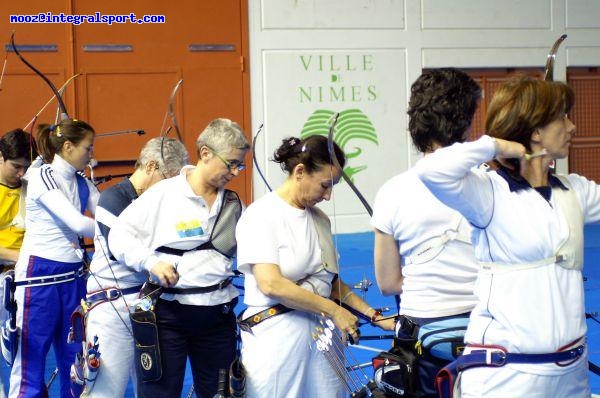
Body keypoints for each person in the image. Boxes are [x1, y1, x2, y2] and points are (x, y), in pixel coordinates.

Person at [415, 75, 596, 397]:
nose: (572, 127)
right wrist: (496, 144)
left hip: (571, 373)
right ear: (535, 131)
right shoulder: (488, 193)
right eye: (562, 118)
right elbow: (430, 171)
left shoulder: (575, 190)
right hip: (506, 377)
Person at [235, 135, 395, 398]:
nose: (328, 195)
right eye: (325, 185)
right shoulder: (261, 215)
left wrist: (375, 316)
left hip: (324, 337)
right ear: (300, 172)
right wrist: (334, 311)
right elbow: (271, 283)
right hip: (277, 338)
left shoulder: (320, 219)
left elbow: (330, 283)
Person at [108, 118, 249, 398]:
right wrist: (151, 262)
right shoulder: (164, 193)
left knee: (222, 394)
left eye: (240, 165)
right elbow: (119, 237)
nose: (235, 171)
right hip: (167, 316)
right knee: (160, 393)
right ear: (205, 153)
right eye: (230, 163)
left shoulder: (234, 204)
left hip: (218, 316)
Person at [371, 68, 482, 396]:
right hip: (490, 332)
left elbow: (388, 282)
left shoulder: (392, 192)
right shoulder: (494, 184)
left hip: (423, 336)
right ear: (465, 121)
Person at [83, 137, 189, 397]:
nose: (171, 187)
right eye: (169, 177)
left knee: (152, 389)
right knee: (105, 391)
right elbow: (123, 250)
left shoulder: (161, 202)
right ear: (151, 166)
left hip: (150, 309)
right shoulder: (112, 198)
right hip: (111, 308)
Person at [9, 119, 99, 398]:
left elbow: (110, 213)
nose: (91, 155)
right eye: (88, 148)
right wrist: (118, 230)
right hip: (39, 279)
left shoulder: (82, 182)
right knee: (30, 367)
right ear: (68, 146)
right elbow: (79, 224)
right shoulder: (41, 175)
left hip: (73, 281)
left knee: (76, 364)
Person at [0, 129, 37, 396]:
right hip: (7, 273)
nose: (21, 173)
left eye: (26, 167)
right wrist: (23, 258)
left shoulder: (32, 189)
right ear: (0, 158)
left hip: (28, 276)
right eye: (15, 166)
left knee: (25, 350)